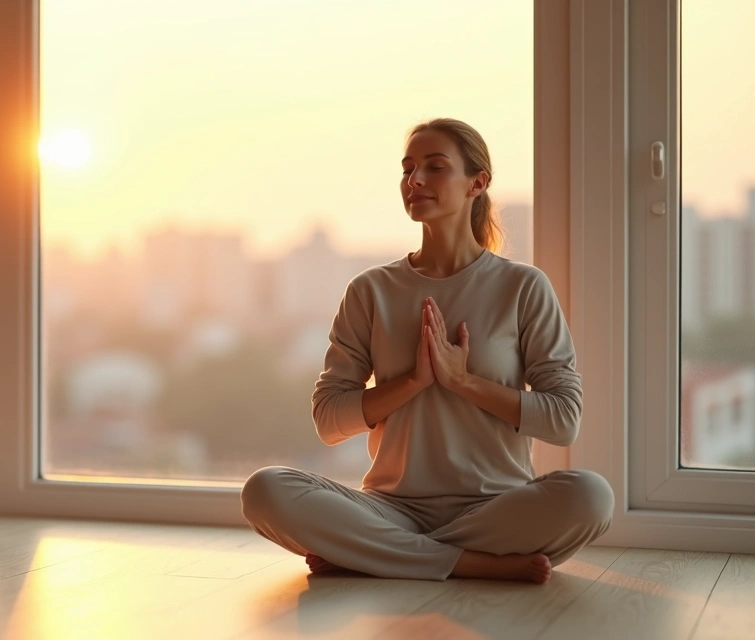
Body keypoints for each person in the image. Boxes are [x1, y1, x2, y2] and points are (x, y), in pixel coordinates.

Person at [239, 118, 614, 584]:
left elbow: (564, 419)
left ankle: (378, 556)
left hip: (497, 510)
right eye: (408, 168)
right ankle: (464, 563)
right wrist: (413, 382)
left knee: (591, 496)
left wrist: (462, 381)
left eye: (434, 168)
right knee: (264, 490)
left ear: (477, 183)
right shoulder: (370, 290)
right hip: (390, 508)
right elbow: (329, 421)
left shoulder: (522, 287)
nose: (414, 180)